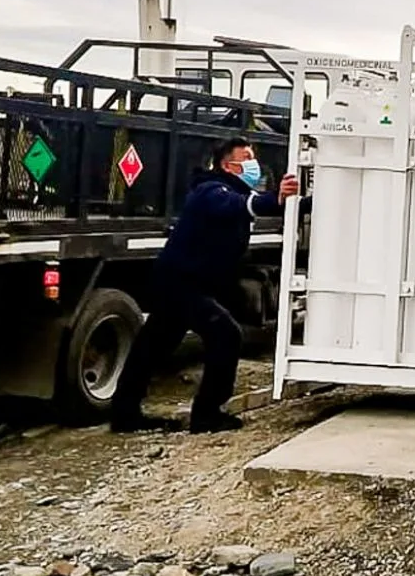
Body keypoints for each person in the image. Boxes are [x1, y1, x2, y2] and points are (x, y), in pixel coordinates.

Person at [111, 137, 308, 435]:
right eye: (247, 157)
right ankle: (207, 415)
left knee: (152, 346)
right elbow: (239, 205)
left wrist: (308, 201)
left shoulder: (234, 191)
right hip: (181, 283)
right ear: (228, 165)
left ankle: (124, 414)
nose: (254, 164)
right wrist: (275, 198)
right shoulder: (212, 190)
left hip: (184, 282)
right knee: (226, 335)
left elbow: (258, 205)